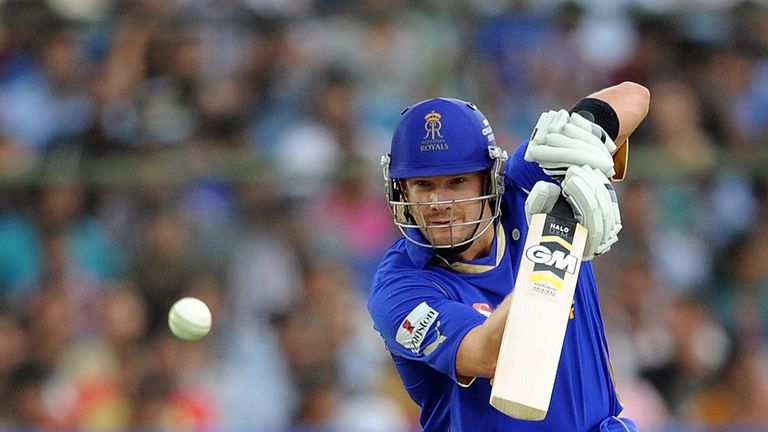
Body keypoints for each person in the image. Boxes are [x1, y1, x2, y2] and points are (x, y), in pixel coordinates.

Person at [367, 82, 650, 431]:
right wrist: (554, 251)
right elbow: (489, 355)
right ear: (402, 190)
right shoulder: (399, 287)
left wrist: (581, 133)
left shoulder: (526, 185)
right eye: (423, 185)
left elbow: (635, 97)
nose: (439, 203)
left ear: (489, 182)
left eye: (457, 181)